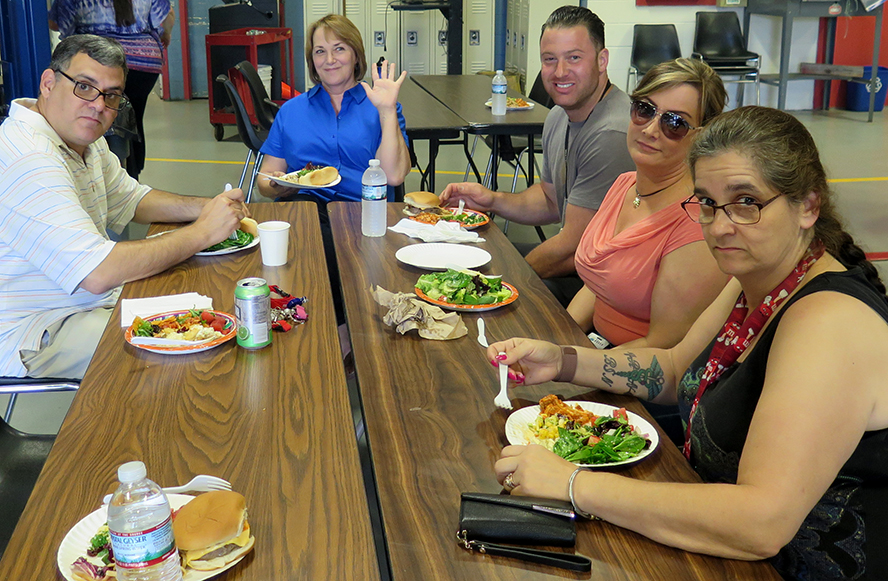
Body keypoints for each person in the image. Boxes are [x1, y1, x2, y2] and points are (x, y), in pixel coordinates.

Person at [488, 106, 888, 580]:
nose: (719, 226)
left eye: (746, 202)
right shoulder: (756, 279)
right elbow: (676, 369)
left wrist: (573, 484)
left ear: (808, 206)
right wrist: (563, 361)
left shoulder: (829, 323)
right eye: (707, 203)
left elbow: (762, 523)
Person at [0, 35, 248, 379]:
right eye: (84, 87)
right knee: (185, 351)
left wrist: (208, 207)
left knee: (203, 312)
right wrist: (203, 232)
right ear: (48, 83)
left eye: (111, 95)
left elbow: (132, 199)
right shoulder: (29, 157)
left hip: (90, 302)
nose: (98, 105)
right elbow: (97, 272)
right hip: (40, 327)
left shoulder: (83, 140)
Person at [440, 6, 634, 306]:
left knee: (489, 286)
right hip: (578, 262)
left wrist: (499, 281)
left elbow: (573, 249)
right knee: (462, 256)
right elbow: (551, 201)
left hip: (603, 287)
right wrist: (492, 200)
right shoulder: (558, 116)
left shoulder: (611, 133)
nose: (560, 72)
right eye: (549, 59)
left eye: (574, 58)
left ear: (602, 60)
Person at [569, 58, 729, 350]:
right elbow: (598, 286)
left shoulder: (696, 222)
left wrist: (569, 362)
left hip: (635, 369)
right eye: (644, 110)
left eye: (675, 123)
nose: (651, 130)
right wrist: (560, 337)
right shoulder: (625, 184)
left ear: (701, 136)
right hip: (596, 345)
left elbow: (664, 348)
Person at [256, 14, 411, 203]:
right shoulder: (291, 111)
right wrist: (276, 186)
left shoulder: (382, 108)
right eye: (320, 51)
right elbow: (264, 179)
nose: (329, 60)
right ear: (312, 60)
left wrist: (387, 110)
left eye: (339, 49)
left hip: (363, 209)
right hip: (303, 206)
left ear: (356, 56)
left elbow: (393, 176)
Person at [49, 0, 175, 180]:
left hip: (96, 63)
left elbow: (56, 23)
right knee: (133, 117)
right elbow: (167, 15)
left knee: (96, 116)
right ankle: (132, 175)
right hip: (144, 61)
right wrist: (166, 35)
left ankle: (104, 175)